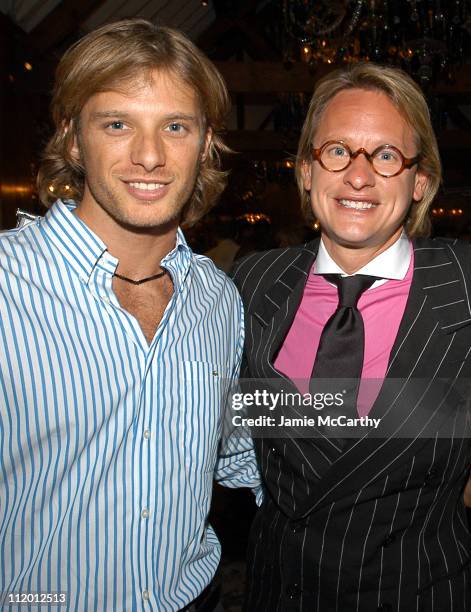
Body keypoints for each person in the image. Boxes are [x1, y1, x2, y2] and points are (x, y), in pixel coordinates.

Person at [0, 19, 260, 612]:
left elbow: (243, 447)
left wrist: (424, 421)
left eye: (175, 126)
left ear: (206, 142)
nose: (149, 156)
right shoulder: (5, 286)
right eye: (117, 124)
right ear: (72, 139)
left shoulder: (219, 299)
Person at [232, 63, 471, 611]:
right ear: (307, 172)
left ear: (420, 182)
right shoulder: (252, 284)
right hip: (277, 593)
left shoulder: (464, 288)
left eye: (386, 156)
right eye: (337, 150)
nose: (358, 177)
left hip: (418, 592)